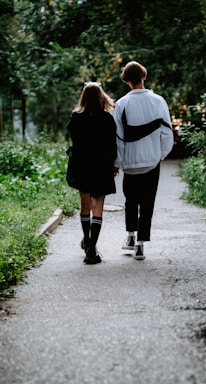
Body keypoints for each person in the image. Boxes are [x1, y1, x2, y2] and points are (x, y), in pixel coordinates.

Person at [113, 61, 174, 260]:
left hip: (130, 164)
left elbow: (118, 136)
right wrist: (161, 154)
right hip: (151, 162)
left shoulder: (121, 104)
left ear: (126, 81)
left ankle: (130, 236)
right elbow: (166, 132)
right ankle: (140, 245)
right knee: (147, 203)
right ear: (144, 77)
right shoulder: (158, 101)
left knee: (130, 201)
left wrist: (118, 161)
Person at [66, 82, 117, 264]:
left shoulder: (76, 118)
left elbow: (73, 139)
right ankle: (91, 250)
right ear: (101, 96)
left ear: (84, 97)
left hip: (81, 165)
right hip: (101, 165)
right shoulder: (107, 119)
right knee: (98, 207)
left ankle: (86, 239)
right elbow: (112, 145)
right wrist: (114, 165)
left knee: (85, 205)